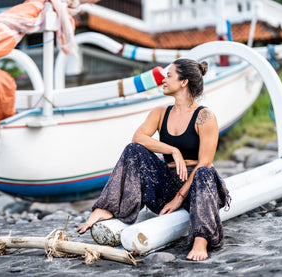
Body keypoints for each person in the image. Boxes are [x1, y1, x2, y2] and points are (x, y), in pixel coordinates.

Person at [78, 58, 231, 261]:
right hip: (166, 188)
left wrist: (179, 197)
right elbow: (138, 138)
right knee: (133, 150)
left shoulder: (205, 117)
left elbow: (205, 161)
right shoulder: (160, 113)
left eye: (169, 76)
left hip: (199, 190)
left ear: (183, 82)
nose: (163, 80)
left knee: (205, 171)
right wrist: (173, 150)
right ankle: (106, 208)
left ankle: (200, 241)